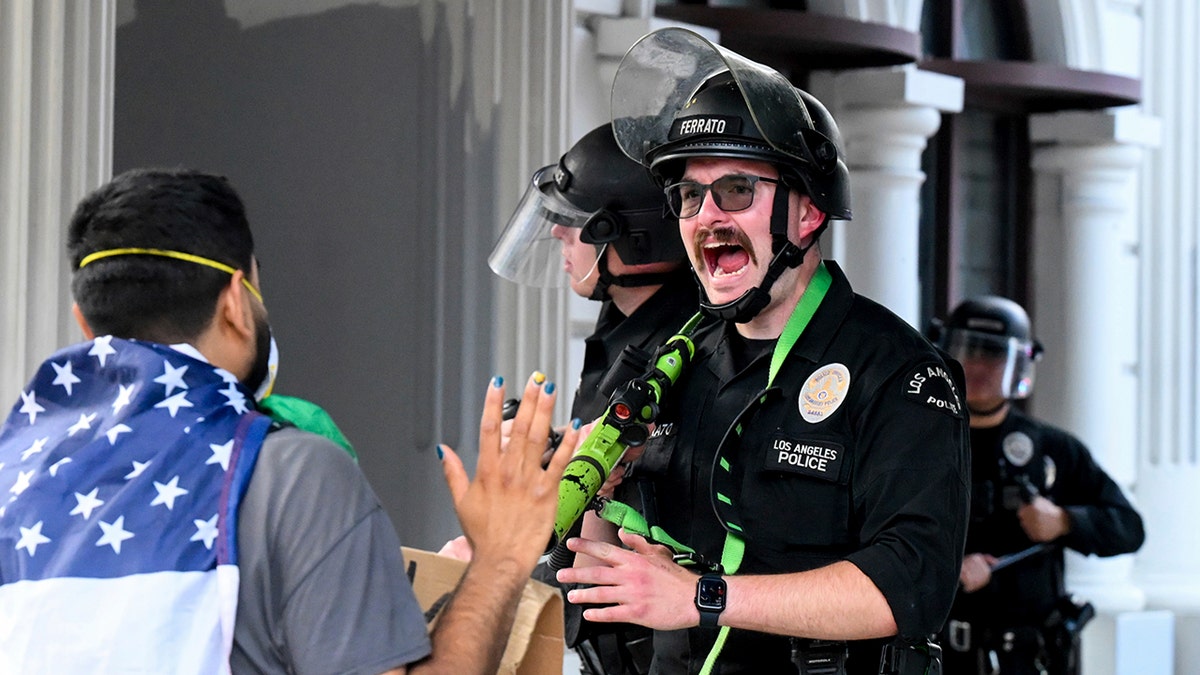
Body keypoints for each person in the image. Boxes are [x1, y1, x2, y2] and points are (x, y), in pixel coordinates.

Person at [0, 168, 576, 674]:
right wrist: (500, 556)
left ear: (83, 321)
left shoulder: (11, 477)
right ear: (234, 303)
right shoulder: (293, 474)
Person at [555, 28, 971, 675]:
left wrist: (703, 597)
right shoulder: (671, 361)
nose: (705, 215)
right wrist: (588, 501)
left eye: (736, 191)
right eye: (689, 196)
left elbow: (908, 582)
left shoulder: (897, 371)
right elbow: (612, 581)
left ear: (807, 213)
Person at [487, 122, 697, 675]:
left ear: (633, 238)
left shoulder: (689, 350)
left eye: (575, 223)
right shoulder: (624, 321)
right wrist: (551, 451)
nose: (558, 234)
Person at [934, 295, 1145, 675]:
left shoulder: (1052, 450)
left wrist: (1066, 522)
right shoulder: (919, 443)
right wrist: (949, 570)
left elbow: (1128, 529)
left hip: (1029, 657)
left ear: (1019, 363)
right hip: (943, 651)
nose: (979, 367)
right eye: (969, 352)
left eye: (994, 356)